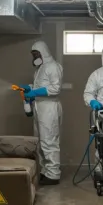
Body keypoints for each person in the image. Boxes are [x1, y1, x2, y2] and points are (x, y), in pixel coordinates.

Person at [19, 41, 63, 185]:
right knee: (40, 141)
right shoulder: (39, 69)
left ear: (43, 52)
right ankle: (46, 171)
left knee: (49, 140)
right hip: (39, 107)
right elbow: (40, 86)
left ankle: (54, 174)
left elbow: (55, 88)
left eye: (36, 54)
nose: (35, 57)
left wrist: (34, 92)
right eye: (33, 55)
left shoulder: (53, 67)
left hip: (49, 108)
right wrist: (29, 88)